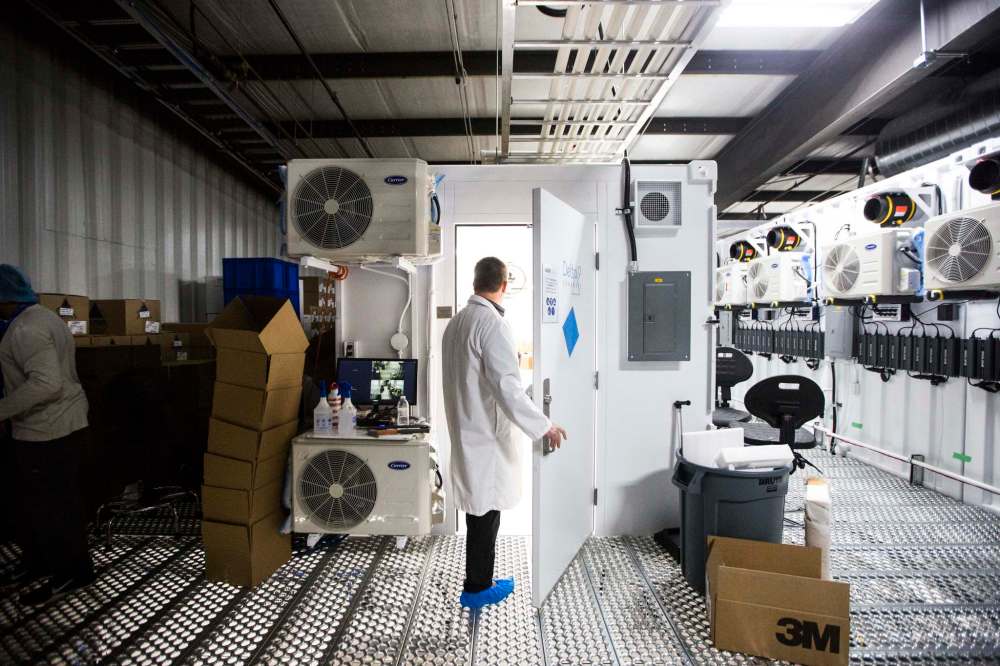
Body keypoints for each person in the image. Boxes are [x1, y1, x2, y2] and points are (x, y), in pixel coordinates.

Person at [442, 256, 567, 609]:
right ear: (504, 284)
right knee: (486, 511)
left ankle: (481, 580)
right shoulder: (491, 324)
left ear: (475, 281)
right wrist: (545, 426)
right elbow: (506, 387)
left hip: (468, 428)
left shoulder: (458, 322)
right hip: (485, 434)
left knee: (480, 509)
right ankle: (478, 587)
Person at [0, 265, 94, 604]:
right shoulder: (45, 317)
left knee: (57, 508)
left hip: (48, 430)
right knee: (36, 506)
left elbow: (46, 383)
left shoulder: (26, 329)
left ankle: (72, 574)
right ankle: (39, 563)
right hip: (51, 426)